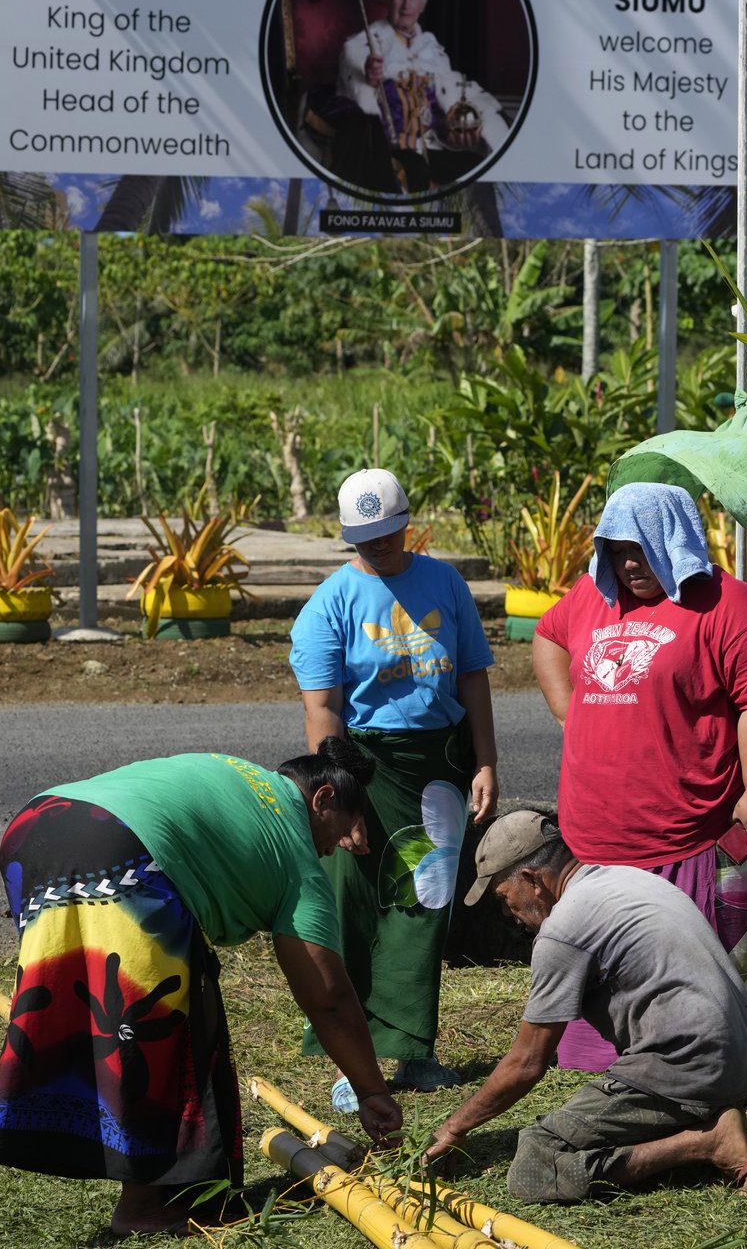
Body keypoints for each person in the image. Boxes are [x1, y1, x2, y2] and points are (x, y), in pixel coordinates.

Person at [0, 738, 403, 1239]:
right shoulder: (296, 855)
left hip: (36, 828)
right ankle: (150, 1203)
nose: (337, 846)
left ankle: (111, 1162)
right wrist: (372, 1090)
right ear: (322, 798)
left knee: (78, 1005)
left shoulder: (240, 773)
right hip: (119, 846)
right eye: (342, 827)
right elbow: (327, 999)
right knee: (158, 1024)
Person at [532, 482, 747, 1070]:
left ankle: (694, 1077)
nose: (630, 563)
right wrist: (567, 709)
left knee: (693, 987)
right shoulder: (591, 596)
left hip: (687, 837)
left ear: (676, 539)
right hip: (597, 838)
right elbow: (549, 635)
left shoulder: (728, 604)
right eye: (619, 548)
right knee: (605, 974)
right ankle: (611, 1069)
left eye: (644, 547)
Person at [425, 810, 747, 1202]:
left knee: (536, 1163)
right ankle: (706, 1120)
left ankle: (707, 1143)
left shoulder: (563, 929)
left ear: (531, 880)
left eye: (504, 897)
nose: (507, 914)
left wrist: (455, 1128)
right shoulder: (627, 879)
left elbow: (528, 1063)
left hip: (688, 1067)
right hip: (742, 1062)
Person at [289, 467, 498, 1109]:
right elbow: (322, 709)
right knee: (357, 905)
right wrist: (341, 797)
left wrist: (485, 763)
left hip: (438, 764)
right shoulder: (330, 603)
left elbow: (472, 679)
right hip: (364, 765)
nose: (376, 546)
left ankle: (413, 1049)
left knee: (425, 899)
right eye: (363, 537)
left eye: (385, 533)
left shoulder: (445, 582)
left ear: (407, 522)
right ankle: (354, 1055)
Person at [333, 0, 510, 195]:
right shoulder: (359, 46)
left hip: (430, 149)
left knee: (475, 166)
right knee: (415, 169)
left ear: (423, 3)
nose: (406, 5)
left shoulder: (433, 50)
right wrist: (369, 77)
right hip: (384, 151)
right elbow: (356, 105)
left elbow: (441, 113)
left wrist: (454, 135)